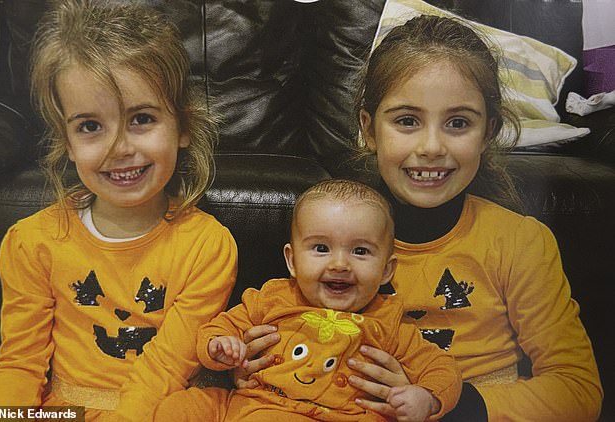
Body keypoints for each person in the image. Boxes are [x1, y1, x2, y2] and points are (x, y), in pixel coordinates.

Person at [236, 15, 603, 422]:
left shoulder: (519, 242)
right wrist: (255, 365)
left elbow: (577, 389)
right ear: (369, 129)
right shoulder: (331, 237)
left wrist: (450, 405)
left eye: (458, 123)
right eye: (407, 121)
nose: (431, 147)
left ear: (488, 132)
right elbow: (284, 331)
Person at [0, 1, 237, 421]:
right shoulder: (30, 242)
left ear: (184, 127)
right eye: (90, 126)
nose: (118, 148)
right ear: (65, 141)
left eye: (141, 118)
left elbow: (167, 368)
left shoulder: (208, 245)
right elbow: (18, 363)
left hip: (161, 406)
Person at [155, 179, 462, 422]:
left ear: (386, 270)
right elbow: (220, 326)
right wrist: (220, 346)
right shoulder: (272, 298)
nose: (339, 264)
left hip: (344, 416)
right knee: (180, 408)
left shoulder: (389, 322)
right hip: (252, 406)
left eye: (360, 251)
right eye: (320, 248)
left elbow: (442, 368)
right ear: (292, 260)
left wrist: (428, 398)